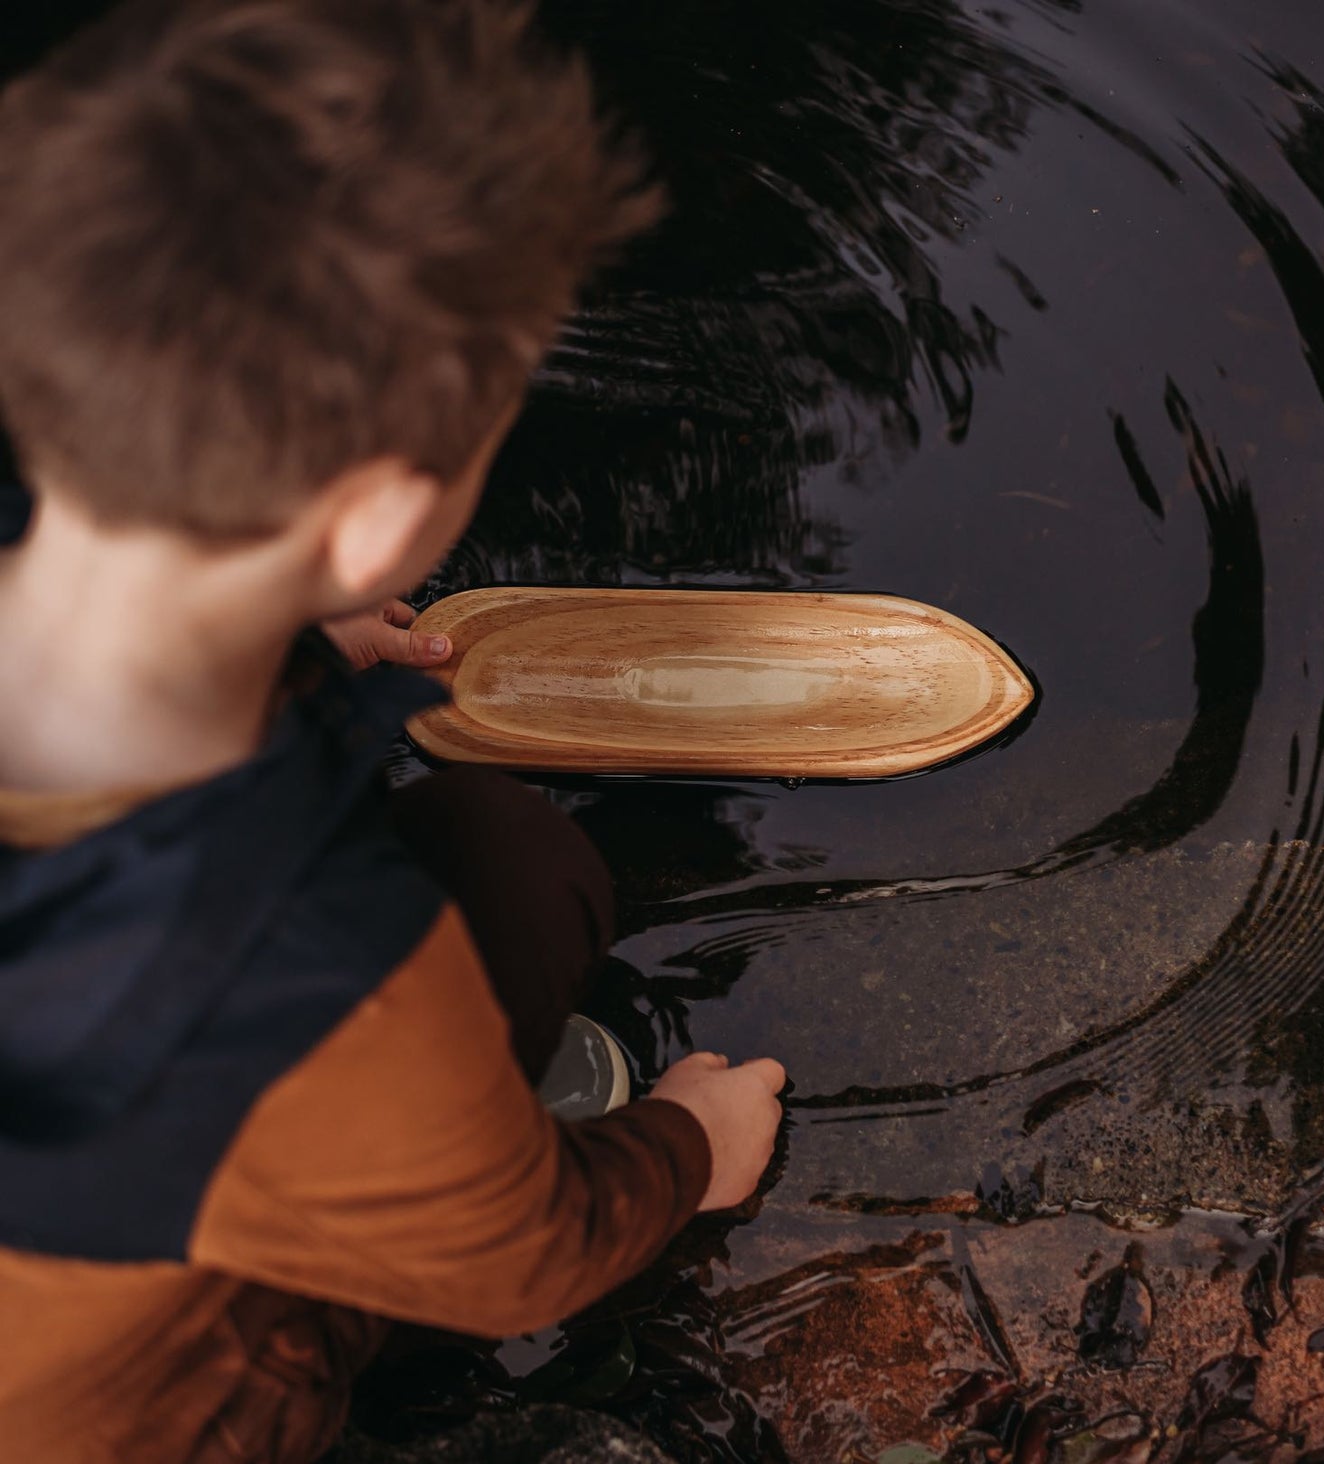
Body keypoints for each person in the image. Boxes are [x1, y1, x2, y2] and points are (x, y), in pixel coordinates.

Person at [0, 2, 787, 1461]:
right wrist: (689, 1152)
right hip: (103, 1417)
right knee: (520, 862)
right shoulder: (313, 959)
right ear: (373, 515)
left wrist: (290, 619)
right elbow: (523, 1259)